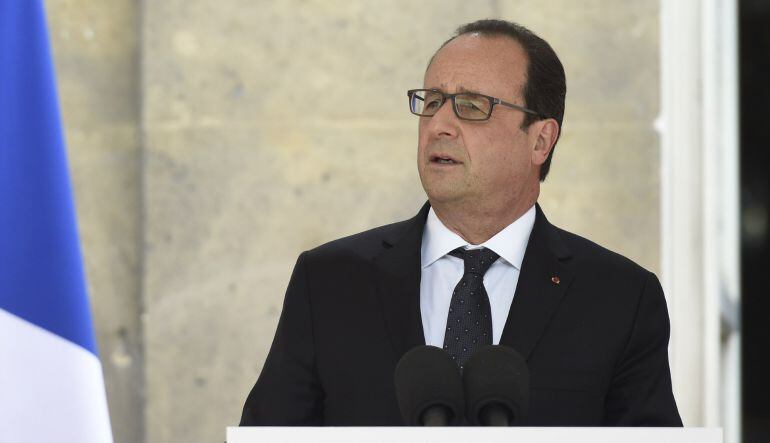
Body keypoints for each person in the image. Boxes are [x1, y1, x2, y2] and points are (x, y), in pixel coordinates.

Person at [239, 19, 682, 426]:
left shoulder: (620, 298)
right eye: (431, 102)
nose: (439, 125)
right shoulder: (330, 282)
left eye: (472, 106)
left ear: (540, 140)